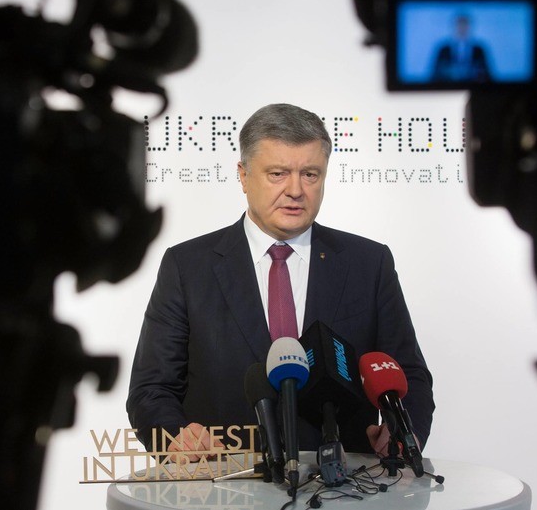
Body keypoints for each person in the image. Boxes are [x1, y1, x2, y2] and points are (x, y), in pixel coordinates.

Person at [127, 103, 434, 459]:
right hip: (224, 480)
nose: (295, 190)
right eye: (277, 174)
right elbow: (151, 390)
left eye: (310, 174)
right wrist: (176, 439)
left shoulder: (369, 263)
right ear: (243, 176)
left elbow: (408, 375)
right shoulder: (187, 266)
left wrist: (402, 433)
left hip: (348, 480)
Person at [431, 13, 491, 83]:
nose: (462, 28)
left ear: (469, 27)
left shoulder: (479, 50)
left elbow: (487, 75)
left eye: (465, 25)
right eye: (459, 25)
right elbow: (435, 74)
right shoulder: (443, 50)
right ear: (453, 27)